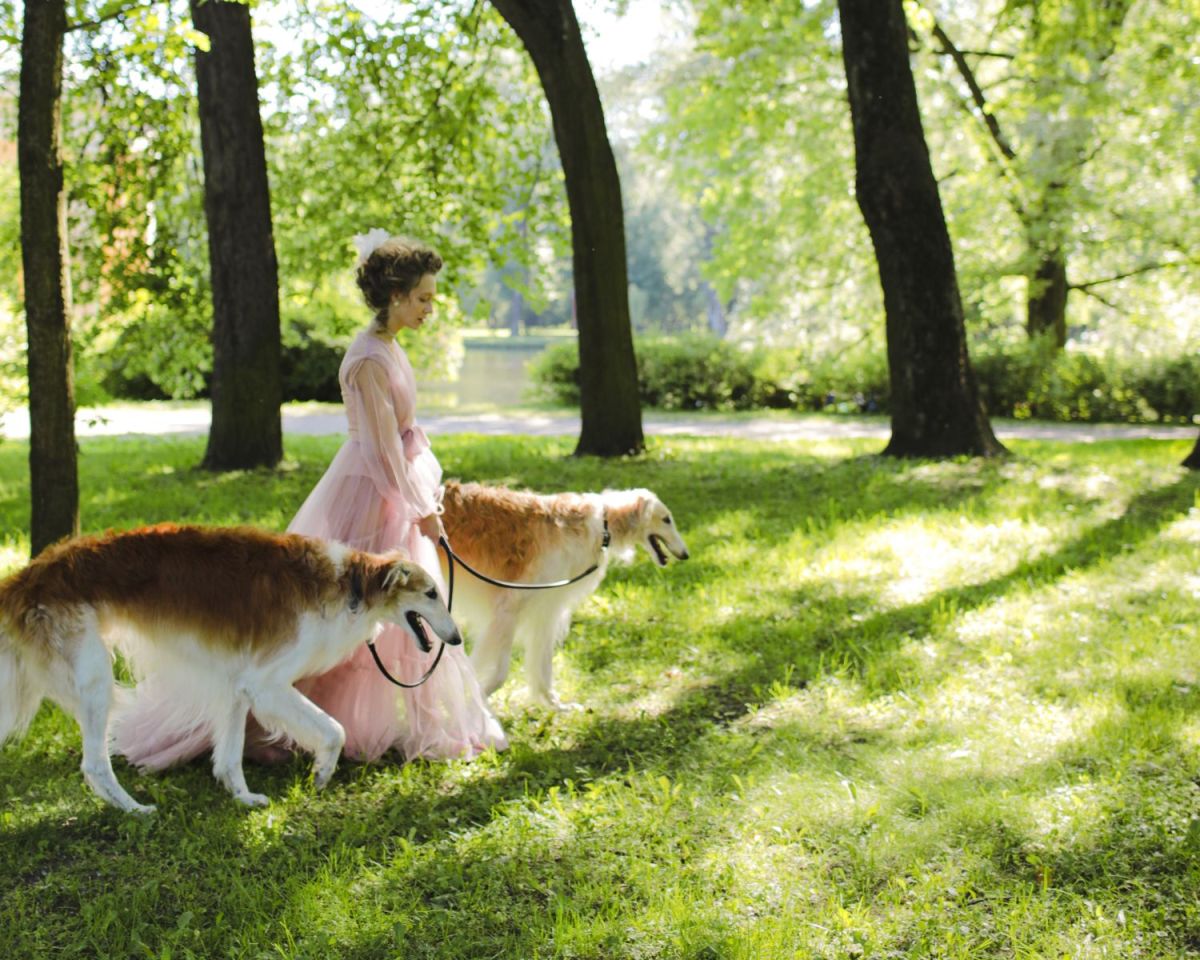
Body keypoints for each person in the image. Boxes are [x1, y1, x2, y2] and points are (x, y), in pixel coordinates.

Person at [114, 231, 507, 769]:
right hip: (373, 495)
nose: (429, 309)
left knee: (400, 608)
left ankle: (410, 721)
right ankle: (277, 725)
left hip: (393, 489)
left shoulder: (389, 347)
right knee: (341, 614)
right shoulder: (368, 359)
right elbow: (382, 454)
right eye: (422, 299)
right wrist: (421, 512)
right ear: (394, 296)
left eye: (431, 299)